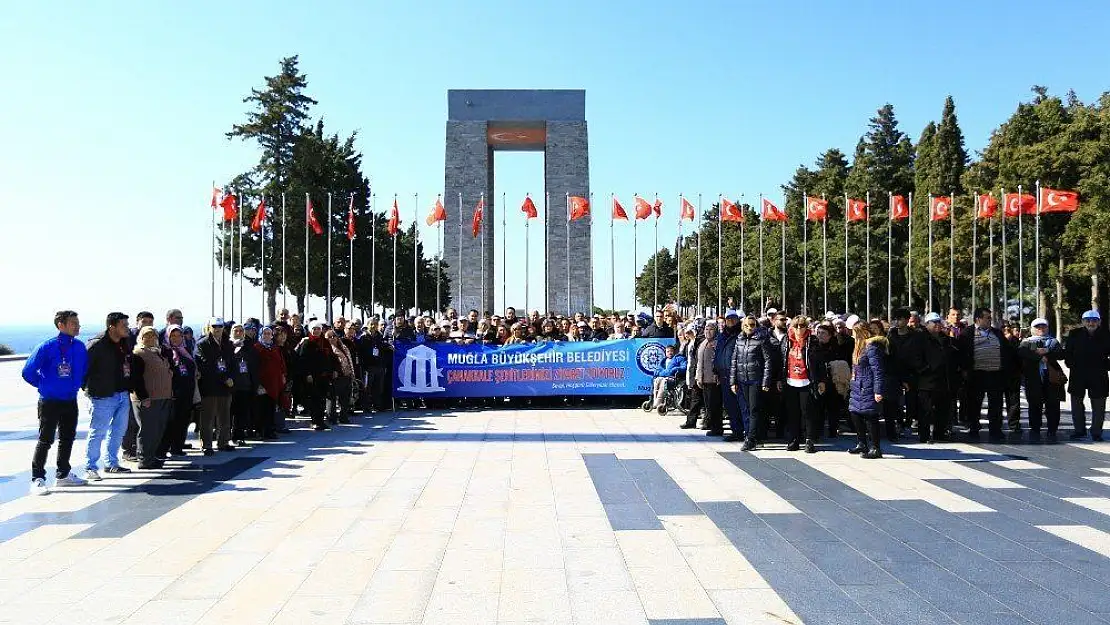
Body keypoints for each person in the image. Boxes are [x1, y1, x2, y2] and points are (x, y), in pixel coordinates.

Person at [23, 311, 89, 494]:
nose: (77, 326)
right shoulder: (46, 347)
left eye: (78, 323)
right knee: (45, 440)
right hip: (49, 401)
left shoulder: (79, 347)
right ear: (61, 325)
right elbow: (28, 372)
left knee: (67, 438)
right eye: (73, 323)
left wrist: (75, 385)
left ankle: (63, 475)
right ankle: (37, 478)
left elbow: (83, 370)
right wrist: (45, 386)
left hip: (70, 400)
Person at [84, 312, 135, 477]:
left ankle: (111, 463)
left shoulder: (124, 342)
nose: (127, 328)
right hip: (102, 397)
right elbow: (83, 369)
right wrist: (88, 390)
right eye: (124, 325)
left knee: (119, 431)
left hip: (122, 394)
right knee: (98, 432)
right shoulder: (96, 345)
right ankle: (90, 467)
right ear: (112, 326)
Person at [957, 307, 1015, 441]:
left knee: (996, 404)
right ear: (978, 319)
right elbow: (962, 353)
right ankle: (974, 428)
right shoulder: (967, 333)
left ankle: (995, 429)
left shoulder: (997, 333)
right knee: (975, 403)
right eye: (987, 317)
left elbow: (1007, 350)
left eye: (990, 318)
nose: (990, 320)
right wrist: (965, 370)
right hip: (977, 374)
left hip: (995, 374)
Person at [778, 315, 828, 453]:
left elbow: (820, 363)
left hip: (807, 381)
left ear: (806, 327)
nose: (799, 329)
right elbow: (781, 361)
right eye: (796, 326)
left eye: (802, 326)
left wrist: (822, 381)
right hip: (790, 381)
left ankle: (809, 439)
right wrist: (779, 379)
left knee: (808, 413)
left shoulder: (812, 341)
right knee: (792, 413)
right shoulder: (786, 340)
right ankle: (794, 439)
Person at [129, 326, 174, 469]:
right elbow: (136, 378)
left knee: (158, 429)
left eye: (153, 336)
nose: (150, 338)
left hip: (163, 396)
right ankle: (144, 459)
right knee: (148, 430)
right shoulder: (138, 353)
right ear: (140, 338)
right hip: (148, 399)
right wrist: (143, 397)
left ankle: (152, 456)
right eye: (146, 336)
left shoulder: (157, 352)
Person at [908, 313, 955, 443]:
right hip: (926, 381)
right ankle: (924, 435)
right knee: (926, 410)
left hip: (943, 381)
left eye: (939, 322)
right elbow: (915, 358)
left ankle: (939, 433)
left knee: (942, 409)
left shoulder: (945, 339)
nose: (938, 324)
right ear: (927, 324)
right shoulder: (920, 338)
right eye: (934, 322)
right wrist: (926, 369)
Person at [1064, 310, 1110, 441]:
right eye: (1088, 320)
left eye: (1094, 320)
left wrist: (1106, 365)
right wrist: (1071, 364)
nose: (1091, 323)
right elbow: (1068, 353)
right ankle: (1079, 430)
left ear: (1099, 322)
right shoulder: (1074, 334)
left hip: (1099, 374)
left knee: (1099, 405)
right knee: (1076, 403)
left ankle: (1096, 432)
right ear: (1083, 322)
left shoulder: (1106, 335)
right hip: (1078, 374)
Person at [1018, 318, 1065, 442]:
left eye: (1044, 327)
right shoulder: (1027, 341)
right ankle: (1035, 429)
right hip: (1033, 378)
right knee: (1034, 404)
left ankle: (1052, 429)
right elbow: (1023, 352)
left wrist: (1047, 353)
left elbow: (1060, 354)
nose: (1041, 329)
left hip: (1051, 378)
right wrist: (1038, 357)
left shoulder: (1053, 341)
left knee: (1053, 404)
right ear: (1032, 329)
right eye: (1038, 327)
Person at [730, 317, 773, 448]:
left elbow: (768, 361)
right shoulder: (739, 340)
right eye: (747, 325)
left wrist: (766, 381)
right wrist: (733, 381)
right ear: (743, 326)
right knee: (746, 409)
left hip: (755, 379)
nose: (750, 327)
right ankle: (753, 435)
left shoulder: (761, 339)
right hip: (742, 380)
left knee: (754, 409)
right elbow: (734, 361)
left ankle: (751, 438)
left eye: (752, 325)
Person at [195, 318, 236, 455]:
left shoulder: (228, 344)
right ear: (209, 327)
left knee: (224, 417)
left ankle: (223, 442)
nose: (217, 328)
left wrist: (230, 378)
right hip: (209, 385)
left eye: (220, 326)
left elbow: (233, 363)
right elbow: (205, 364)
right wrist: (224, 378)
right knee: (207, 418)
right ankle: (206, 445)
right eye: (214, 326)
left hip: (225, 387)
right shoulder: (202, 344)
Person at [848, 324, 886, 459]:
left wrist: (878, 390)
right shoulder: (858, 346)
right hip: (857, 385)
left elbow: (878, 370)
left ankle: (876, 447)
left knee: (870, 416)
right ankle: (861, 442)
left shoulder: (871, 347)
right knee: (854, 413)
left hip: (868, 386)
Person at [159, 325, 197, 457]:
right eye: (173, 336)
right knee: (170, 422)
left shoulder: (185, 349)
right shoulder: (164, 351)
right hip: (172, 392)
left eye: (179, 336)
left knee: (183, 420)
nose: (176, 338)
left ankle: (177, 447)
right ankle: (163, 449)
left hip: (187, 391)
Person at [297, 321, 334, 430]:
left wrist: (332, 371)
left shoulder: (325, 342)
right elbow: (303, 360)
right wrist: (307, 374)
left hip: (324, 376)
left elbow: (330, 357)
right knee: (314, 399)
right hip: (313, 377)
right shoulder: (307, 342)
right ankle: (315, 421)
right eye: (314, 329)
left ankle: (321, 421)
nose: (316, 331)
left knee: (322, 399)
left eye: (318, 329)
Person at [689, 323, 723, 435]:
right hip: (704, 380)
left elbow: (719, 361)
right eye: (706, 329)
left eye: (711, 329)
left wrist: (718, 375)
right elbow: (698, 362)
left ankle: (717, 428)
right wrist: (698, 378)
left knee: (715, 406)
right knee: (708, 405)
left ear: (716, 331)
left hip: (714, 379)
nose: (708, 331)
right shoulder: (703, 343)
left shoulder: (717, 343)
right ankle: (712, 426)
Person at [326, 329, 355, 424]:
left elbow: (349, 359)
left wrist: (352, 373)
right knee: (332, 399)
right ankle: (332, 418)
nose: (332, 338)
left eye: (334, 336)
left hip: (346, 375)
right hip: (335, 376)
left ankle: (344, 417)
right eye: (329, 337)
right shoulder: (327, 349)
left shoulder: (343, 347)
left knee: (345, 398)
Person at [651, 344, 687, 411]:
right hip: (663, 377)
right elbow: (658, 370)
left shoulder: (679, 358)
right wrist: (659, 373)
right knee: (657, 380)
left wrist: (675, 369)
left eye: (671, 351)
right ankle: (655, 400)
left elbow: (684, 367)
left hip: (674, 378)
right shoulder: (663, 361)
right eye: (667, 351)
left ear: (674, 352)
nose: (669, 353)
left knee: (664, 381)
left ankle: (657, 402)